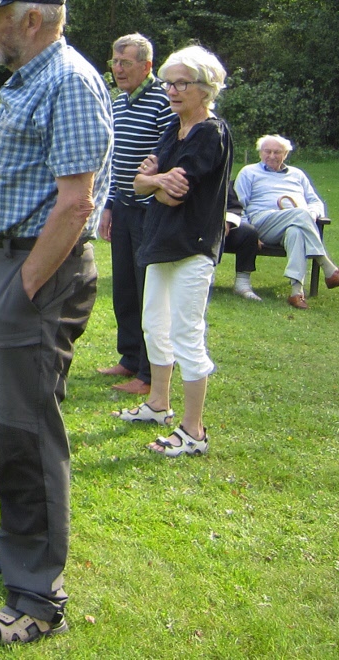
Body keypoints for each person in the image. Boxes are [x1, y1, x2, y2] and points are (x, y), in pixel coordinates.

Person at [0, 0, 112, 645]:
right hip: (10, 264)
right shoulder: (30, 78)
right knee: (9, 421)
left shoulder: (69, 81)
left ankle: (39, 600)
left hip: (38, 273)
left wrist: (24, 287)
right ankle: (15, 552)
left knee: (30, 430)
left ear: (33, 19)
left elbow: (76, 204)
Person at [115, 45, 232, 458]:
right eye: (169, 83)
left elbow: (174, 194)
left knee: (186, 334)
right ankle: (158, 405)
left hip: (192, 247)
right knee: (154, 326)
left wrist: (155, 181)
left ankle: (193, 431)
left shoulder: (210, 133)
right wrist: (155, 181)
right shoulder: (174, 128)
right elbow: (138, 183)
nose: (172, 90)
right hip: (160, 243)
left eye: (182, 83)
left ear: (206, 88)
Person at [96, 33, 175, 396]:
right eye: (114, 62)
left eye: (125, 62)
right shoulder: (118, 103)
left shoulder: (163, 101)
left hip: (151, 212)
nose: (118, 69)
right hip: (124, 208)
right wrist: (109, 206)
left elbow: (168, 156)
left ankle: (148, 373)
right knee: (125, 289)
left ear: (147, 66)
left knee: (149, 293)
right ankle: (129, 358)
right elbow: (115, 162)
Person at [234, 134, 339, 309]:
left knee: (296, 231)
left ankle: (296, 292)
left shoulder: (297, 174)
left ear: (285, 154)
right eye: (267, 151)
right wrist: (249, 232)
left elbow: (315, 202)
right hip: (262, 223)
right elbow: (238, 205)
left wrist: (311, 215)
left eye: (277, 152)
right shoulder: (249, 172)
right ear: (260, 153)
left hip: (295, 221)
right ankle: (329, 269)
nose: (272, 156)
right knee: (300, 215)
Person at [223, 185, 262, 300]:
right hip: (189, 226)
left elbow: (233, 206)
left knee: (248, 232)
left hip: (219, 227)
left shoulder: (219, 177)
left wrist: (227, 222)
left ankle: (242, 284)